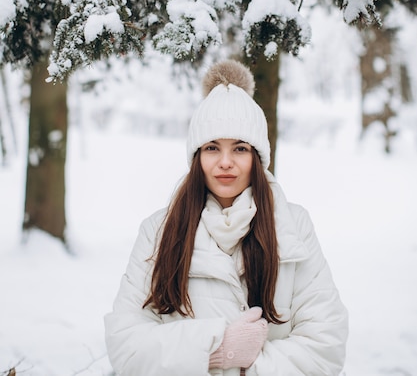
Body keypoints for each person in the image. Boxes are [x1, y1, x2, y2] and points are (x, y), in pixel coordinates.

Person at [104, 60, 348, 376]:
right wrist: (217, 350)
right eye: (212, 148)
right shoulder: (159, 230)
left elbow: (325, 345)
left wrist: (247, 366)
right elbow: (126, 345)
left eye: (240, 148)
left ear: (257, 158)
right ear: (197, 157)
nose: (225, 162)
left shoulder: (292, 226)